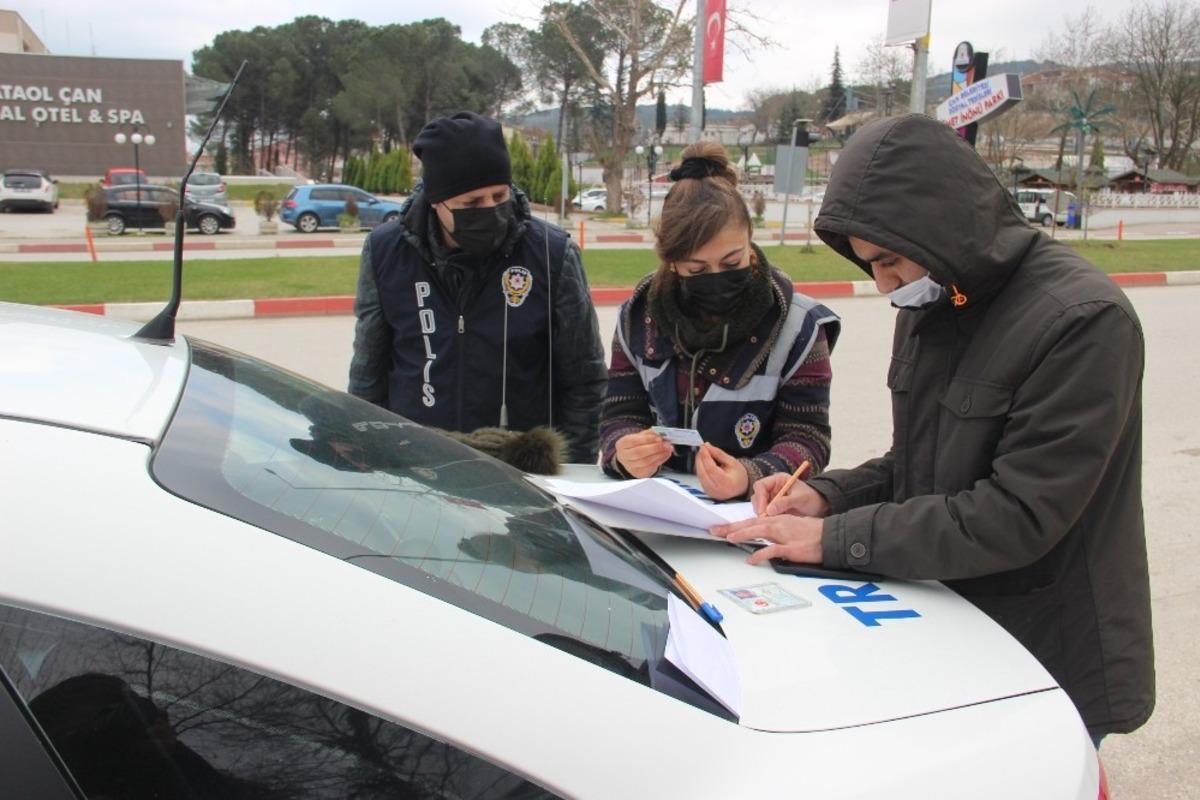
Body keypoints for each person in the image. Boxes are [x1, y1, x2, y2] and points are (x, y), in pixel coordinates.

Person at [712, 114, 1154, 744]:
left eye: (889, 260)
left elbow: (1018, 513)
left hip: (1049, 649)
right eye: (869, 265)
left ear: (939, 228)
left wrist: (832, 537)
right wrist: (826, 496)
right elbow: (918, 463)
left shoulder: (1082, 320)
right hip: (952, 626)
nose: (884, 284)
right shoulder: (935, 299)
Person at [348, 111, 607, 465]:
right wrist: (365, 449)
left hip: (520, 473)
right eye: (472, 203)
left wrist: (573, 470)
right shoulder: (384, 251)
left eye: (499, 196)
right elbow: (367, 374)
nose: (491, 211)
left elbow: (584, 379)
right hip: (417, 463)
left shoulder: (552, 254)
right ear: (436, 201)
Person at [599, 142, 839, 500]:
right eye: (696, 269)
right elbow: (618, 415)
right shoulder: (637, 319)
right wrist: (623, 452)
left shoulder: (798, 326)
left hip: (751, 518)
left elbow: (809, 439)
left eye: (731, 262)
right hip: (655, 513)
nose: (716, 277)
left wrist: (749, 474)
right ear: (671, 262)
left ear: (749, 240)